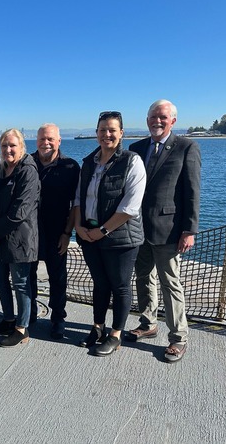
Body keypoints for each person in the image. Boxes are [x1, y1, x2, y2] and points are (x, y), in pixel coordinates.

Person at [127, 100, 201, 363]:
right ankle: (148, 322)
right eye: (152, 117)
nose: (156, 121)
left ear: (173, 121)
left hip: (169, 231)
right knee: (143, 277)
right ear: (146, 119)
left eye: (162, 117)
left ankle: (178, 337)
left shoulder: (186, 147)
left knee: (170, 283)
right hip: (138, 228)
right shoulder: (135, 148)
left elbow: (192, 192)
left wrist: (189, 230)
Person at [73, 111, 146, 356]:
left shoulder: (132, 161)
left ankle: (115, 334)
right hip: (89, 236)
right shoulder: (88, 163)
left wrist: (102, 231)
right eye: (103, 130)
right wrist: (79, 227)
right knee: (100, 283)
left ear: (121, 133)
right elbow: (78, 198)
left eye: (112, 130)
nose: (107, 134)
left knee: (120, 286)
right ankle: (97, 328)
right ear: (96, 133)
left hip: (120, 238)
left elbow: (130, 207)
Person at [0, 129, 40, 347]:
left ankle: (22, 327)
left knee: (21, 283)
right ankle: (8, 319)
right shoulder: (0, 170)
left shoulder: (28, 172)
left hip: (20, 239)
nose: (8, 150)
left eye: (12, 146)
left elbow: (20, 211)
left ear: (22, 147)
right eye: (4, 146)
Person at [29, 123, 80, 339]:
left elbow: (76, 204)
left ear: (59, 141)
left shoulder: (70, 167)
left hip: (57, 232)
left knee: (58, 278)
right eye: (42, 139)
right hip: (29, 233)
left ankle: (58, 318)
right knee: (26, 276)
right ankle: (28, 314)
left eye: (50, 139)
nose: (46, 143)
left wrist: (67, 234)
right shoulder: (27, 162)